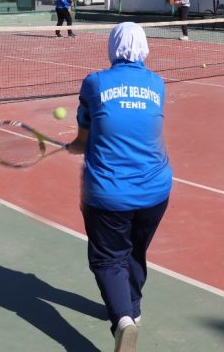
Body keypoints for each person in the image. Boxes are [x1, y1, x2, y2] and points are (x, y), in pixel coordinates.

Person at [66, 22, 172, 352]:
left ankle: (123, 321)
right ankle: (133, 309)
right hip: (156, 191)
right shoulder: (157, 84)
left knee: (108, 259)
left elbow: (85, 137)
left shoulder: (95, 83)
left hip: (108, 194)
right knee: (135, 250)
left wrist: (75, 146)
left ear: (112, 47)